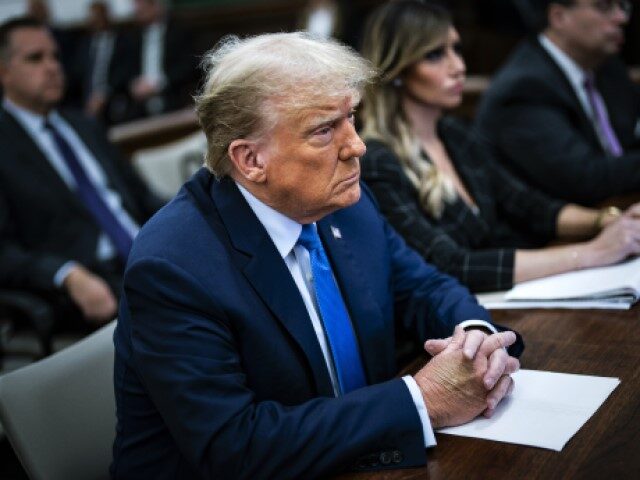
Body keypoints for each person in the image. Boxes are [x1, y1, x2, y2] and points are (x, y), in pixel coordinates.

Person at [112, 32, 524, 479]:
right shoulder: (174, 266)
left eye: (351, 118)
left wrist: (477, 339)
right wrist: (422, 400)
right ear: (250, 160)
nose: (357, 146)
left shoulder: (344, 204)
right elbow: (235, 446)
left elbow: (424, 288)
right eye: (324, 130)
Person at [359, 0, 640, 293]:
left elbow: (529, 206)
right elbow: (452, 265)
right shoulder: (378, 160)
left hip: (507, 298)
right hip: (455, 323)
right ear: (398, 71)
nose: (458, 66)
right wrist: (591, 253)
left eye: (456, 49)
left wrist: (610, 221)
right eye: (434, 55)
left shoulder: (454, 134)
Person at [0, 17, 163, 328]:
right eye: (35, 58)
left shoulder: (84, 126)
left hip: (149, 254)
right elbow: (3, 251)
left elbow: (141, 196)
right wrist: (64, 274)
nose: (52, 67)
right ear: (3, 71)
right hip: (91, 278)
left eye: (55, 57)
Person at [475, 0, 640, 204]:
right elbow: (585, 179)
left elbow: (630, 138)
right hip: (558, 228)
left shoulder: (607, 68)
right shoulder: (524, 87)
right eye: (604, 7)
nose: (621, 18)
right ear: (559, 17)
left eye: (623, 6)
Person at [109, 0, 195, 122]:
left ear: (156, 6)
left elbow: (189, 66)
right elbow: (119, 72)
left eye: (142, 5)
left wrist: (159, 83)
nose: (138, 10)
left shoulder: (179, 33)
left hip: (173, 100)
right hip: (137, 108)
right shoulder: (129, 38)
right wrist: (133, 85)